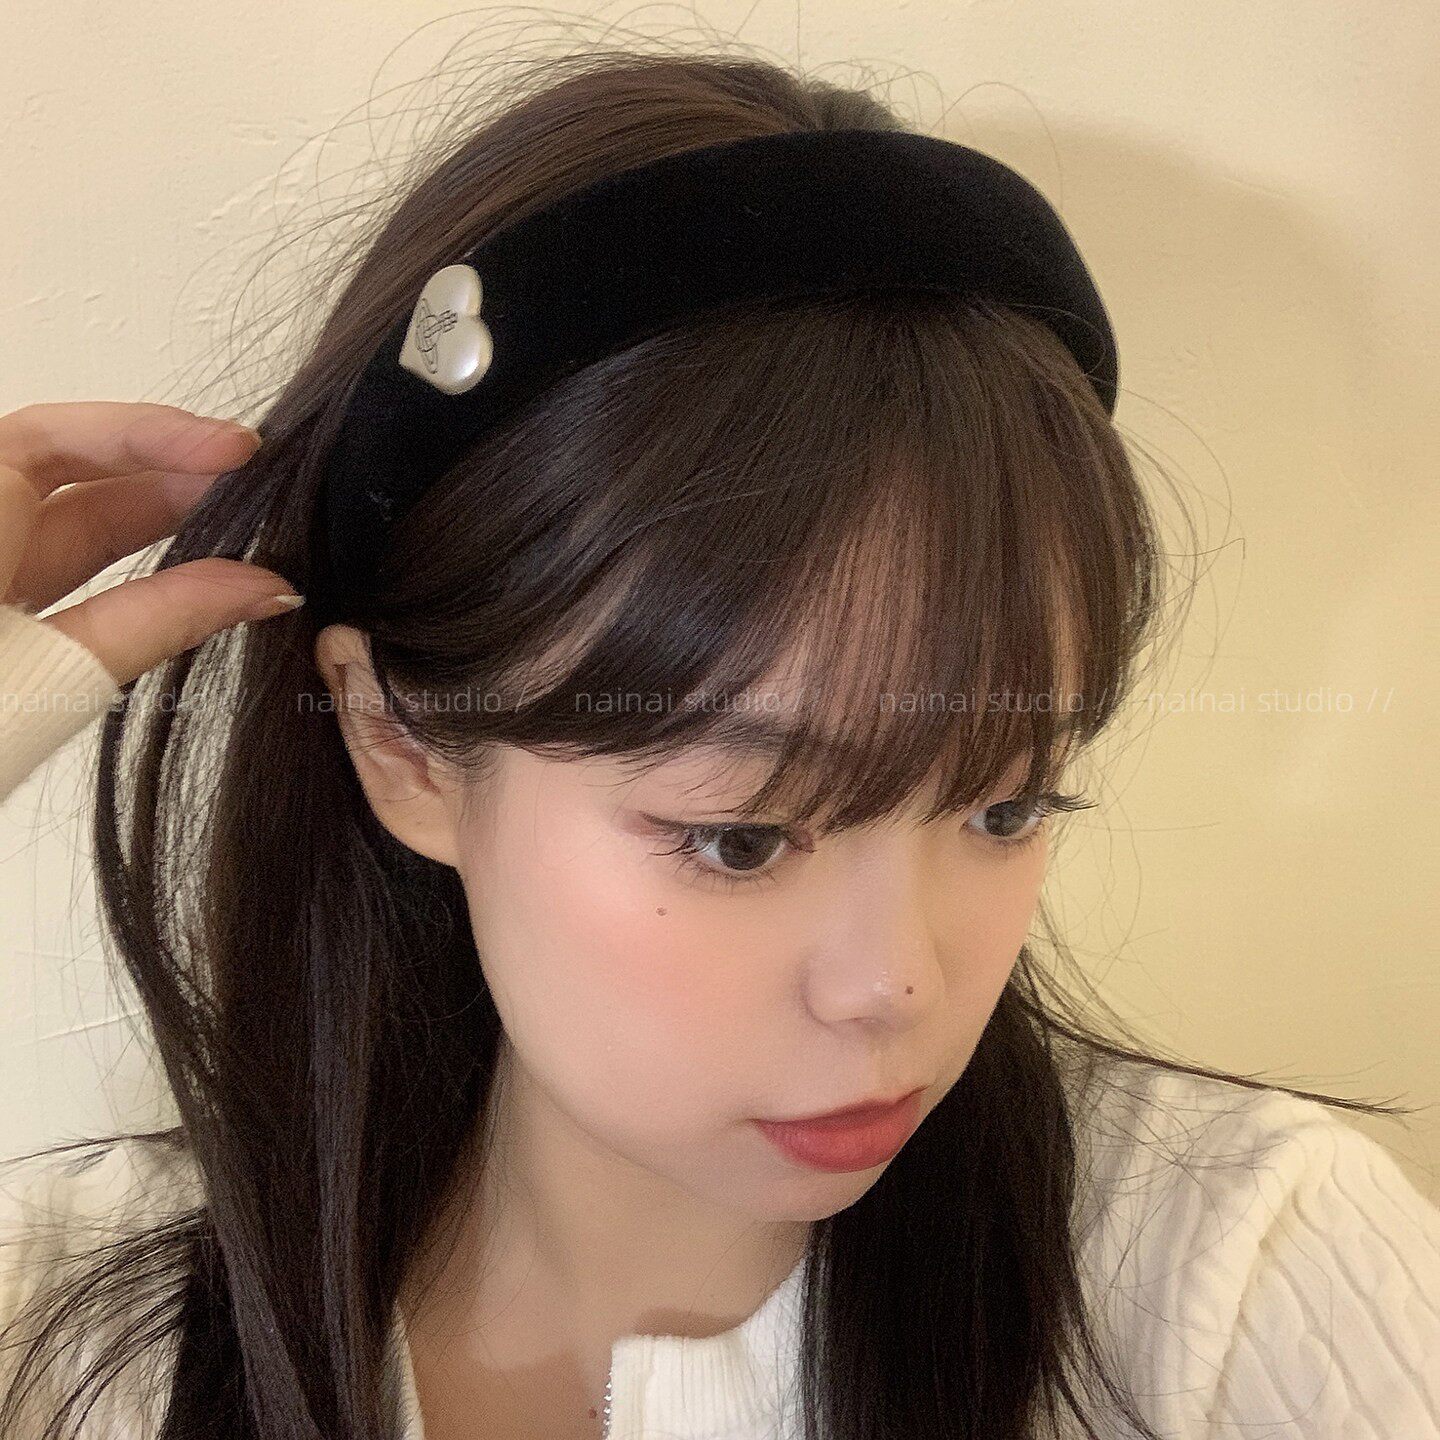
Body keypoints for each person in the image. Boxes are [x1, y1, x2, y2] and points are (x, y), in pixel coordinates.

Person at [2, 47, 1439, 1440]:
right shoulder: (52, 1326)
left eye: (1004, 810)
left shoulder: (1246, 1287)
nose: (895, 987)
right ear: (401, 745)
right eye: (742, 838)